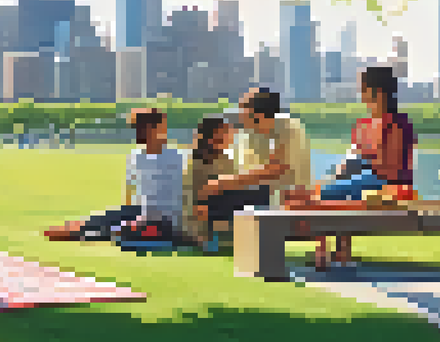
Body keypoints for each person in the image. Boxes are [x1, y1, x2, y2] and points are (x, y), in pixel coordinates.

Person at [291, 67, 416, 268]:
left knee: (332, 191)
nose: (360, 94)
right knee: (325, 189)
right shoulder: (363, 124)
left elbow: (392, 166)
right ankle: (330, 250)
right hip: (364, 176)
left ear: (378, 91)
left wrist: (361, 162)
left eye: (363, 89)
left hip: (390, 182)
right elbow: (352, 155)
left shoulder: (397, 123)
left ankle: (336, 252)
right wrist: (341, 170)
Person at [45, 108, 187, 244]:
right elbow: (129, 194)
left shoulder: (179, 157)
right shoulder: (136, 156)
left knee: (121, 229)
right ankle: (80, 227)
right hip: (141, 211)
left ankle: (81, 232)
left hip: (165, 218)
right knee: (110, 216)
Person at [201, 87, 311, 212]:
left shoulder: (288, 128)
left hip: (283, 196)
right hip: (260, 192)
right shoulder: (253, 133)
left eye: (243, 110)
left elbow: (275, 170)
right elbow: (243, 169)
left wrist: (224, 182)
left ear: (258, 116)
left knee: (215, 201)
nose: (240, 115)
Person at [183, 115, 238, 247]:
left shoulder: (226, 159)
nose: (231, 135)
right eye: (227, 132)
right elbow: (194, 200)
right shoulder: (196, 162)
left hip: (218, 213)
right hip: (202, 220)